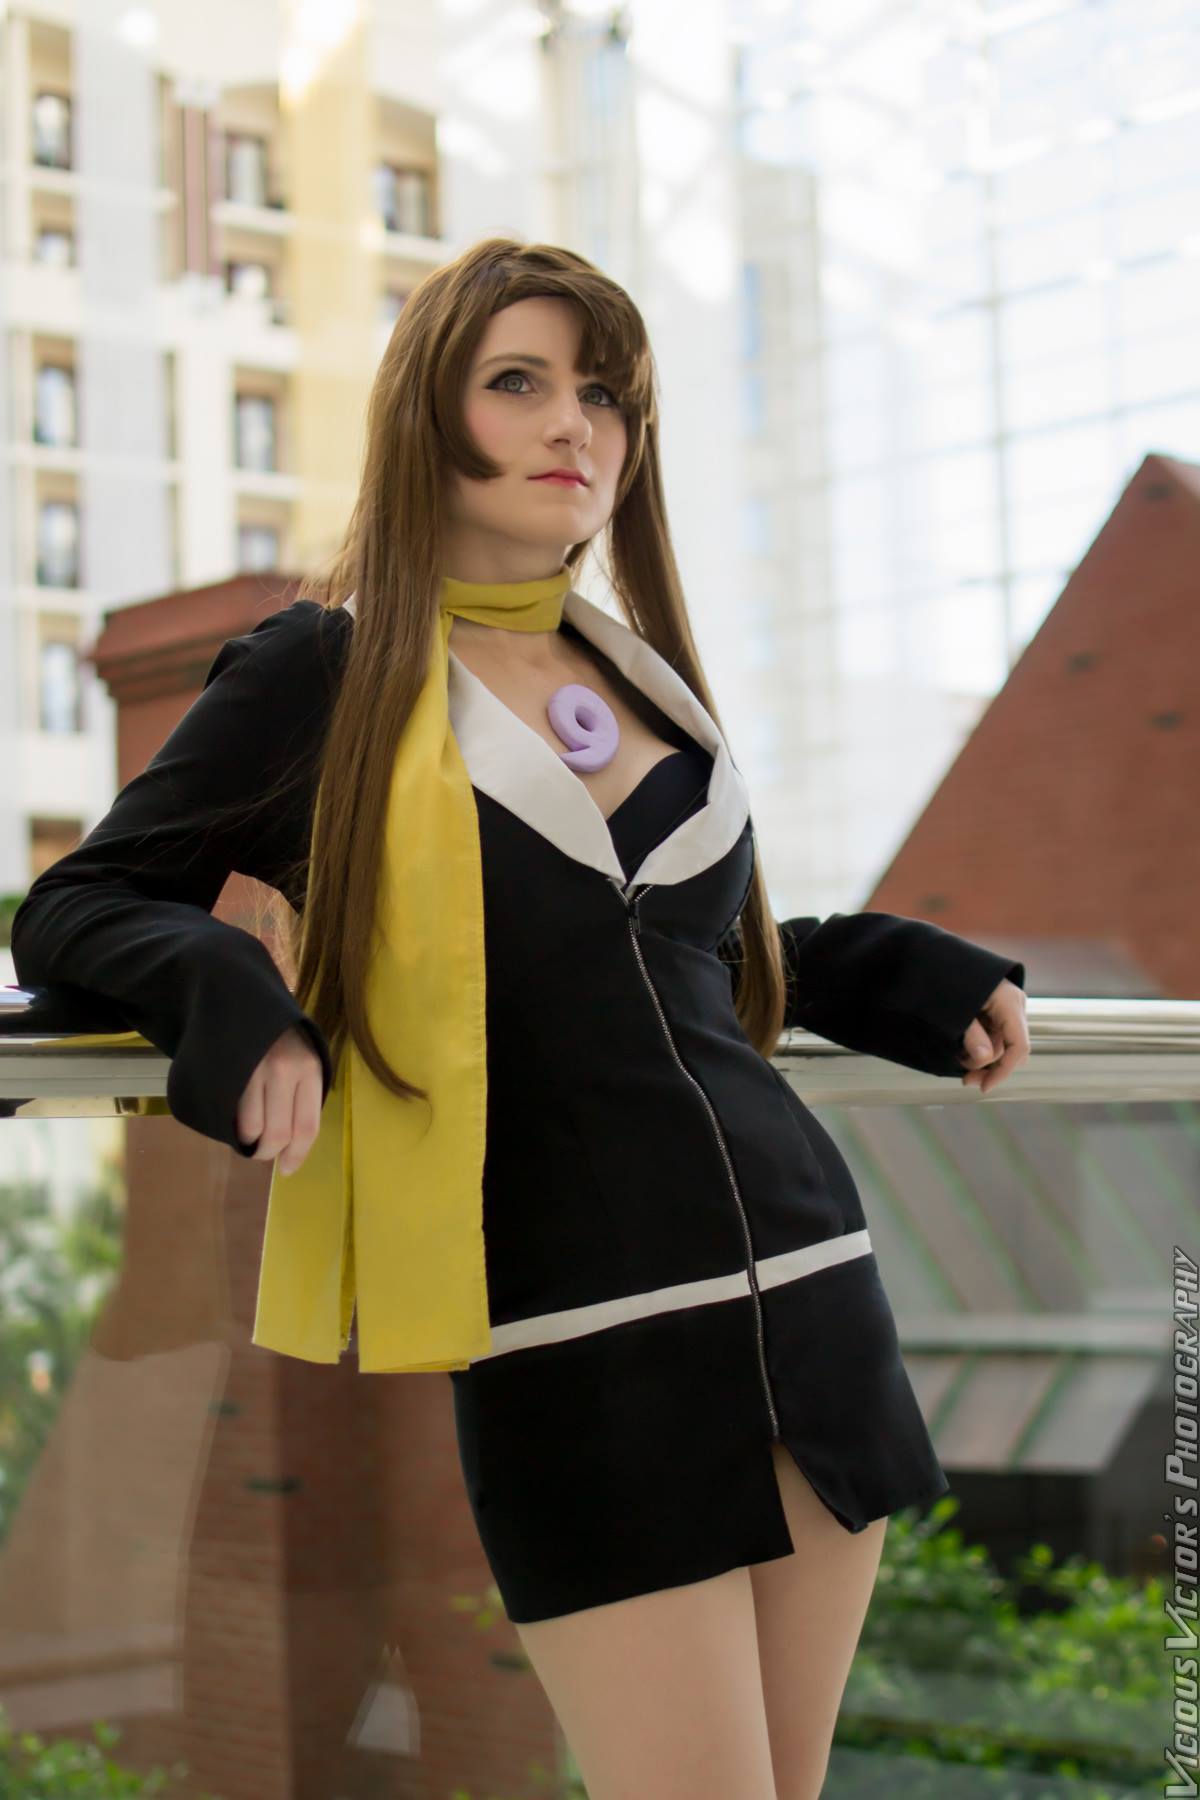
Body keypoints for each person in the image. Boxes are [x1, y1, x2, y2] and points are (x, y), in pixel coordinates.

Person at [11, 236, 1029, 1799]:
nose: (575, 424)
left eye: (604, 394)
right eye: (520, 383)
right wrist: (241, 999)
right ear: (430, 416)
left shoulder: (642, 677)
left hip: (815, 1295)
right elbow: (81, 906)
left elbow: (684, 966)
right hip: (583, 1348)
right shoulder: (325, 673)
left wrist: (909, 975)